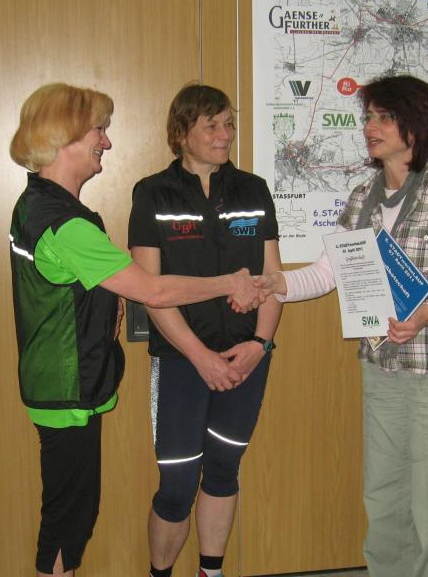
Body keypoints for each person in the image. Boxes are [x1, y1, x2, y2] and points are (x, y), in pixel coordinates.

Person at [8, 83, 264, 577]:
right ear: (64, 136)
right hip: (65, 386)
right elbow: (154, 290)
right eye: (97, 131)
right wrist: (228, 282)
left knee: (71, 515)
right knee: (67, 521)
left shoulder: (43, 206)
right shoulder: (62, 223)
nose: (105, 142)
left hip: (65, 381)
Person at [258, 75, 428, 577]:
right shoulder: (361, 198)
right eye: (368, 117)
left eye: (384, 117)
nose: (371, 127)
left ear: (415, 124)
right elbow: (327, 274)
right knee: (385, 493)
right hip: (383, 369)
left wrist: (427, 314)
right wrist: (273, 283)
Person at [128, 84, 283, 577]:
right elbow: (150, 290)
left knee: (222, 471)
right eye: (211, 125)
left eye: (229, 123)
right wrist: (200, 357)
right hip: (182, 362)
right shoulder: (152, 193)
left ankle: (210, 572)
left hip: (245, 361)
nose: (225, 134)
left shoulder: (253, 190)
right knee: (176, 487)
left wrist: (259, 344)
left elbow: (273, 278)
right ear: (182, 133)